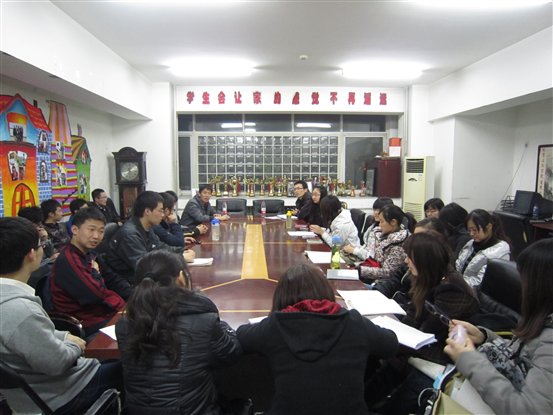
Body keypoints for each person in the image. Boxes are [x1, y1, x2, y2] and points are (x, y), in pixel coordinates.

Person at [237, 263, 399, 415]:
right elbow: (391, 343)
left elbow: (242, 335)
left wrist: (270, 320)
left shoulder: (276, 326)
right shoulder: (353, 322)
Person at [0, 217, 121, 414]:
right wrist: (76, 345)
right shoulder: (20, 310)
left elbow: (33, 335)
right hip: (64, 394)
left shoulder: (10, 301)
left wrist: (64, 336)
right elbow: (57, 363)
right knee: (136, 364)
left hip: (39, 392)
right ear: (31, 254)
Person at [116, 250, 242, 415]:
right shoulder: (203, 321)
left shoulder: (124, 325)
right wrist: (221, 325)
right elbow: (231, 353)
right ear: (181, 278)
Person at [367, 232, 479, 415]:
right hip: (421, 346)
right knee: (377, 356)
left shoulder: (453, 289)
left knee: (393, 363)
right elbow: (413, 316)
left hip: (441, 356)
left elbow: (428, 334)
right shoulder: (428, 277)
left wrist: (388, 341)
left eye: (409, 258)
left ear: (424, 260)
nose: (406, 262)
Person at [444, 238, 553, 415]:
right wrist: (484, 337)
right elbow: (522, 356)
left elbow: (529, 410)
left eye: (525, 281)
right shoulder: (543, 321)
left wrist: (468, 359)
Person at [50, 207, 129, 337]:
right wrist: (95, 272)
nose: (96, 236)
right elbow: (94, 295)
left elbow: (111, 278)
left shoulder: (89, 253)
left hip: (106, 312)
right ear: (75, 230)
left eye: (101, 231)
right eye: (91, 230)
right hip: (87, 322)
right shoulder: (68, 259)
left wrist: (133, 295)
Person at [106, 191, 195, 284]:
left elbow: (160, 247)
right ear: (147, 211)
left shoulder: (146, 227)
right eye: (160, 211)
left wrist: (181, 251)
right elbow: (143, 267)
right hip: (131, 283)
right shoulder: (130, 234)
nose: (163, 215)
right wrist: (180, 257)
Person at [455, 209, 510, 287]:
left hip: (476, 291)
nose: (471, 234)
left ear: (489, 227)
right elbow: (458, 266)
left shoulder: (499, 252)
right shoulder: (471, 243)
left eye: (475, 230)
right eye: (469, 230)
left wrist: (457, 283)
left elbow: (482, 282)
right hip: (461, 286)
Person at [358, 204, 410, 281]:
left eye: (382, 221)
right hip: (374, 277)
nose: (379, 225)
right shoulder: (385, 236)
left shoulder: (398, 244)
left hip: (384, 283)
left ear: (393, 222)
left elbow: (387, 273)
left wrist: (360, 270)